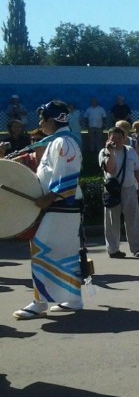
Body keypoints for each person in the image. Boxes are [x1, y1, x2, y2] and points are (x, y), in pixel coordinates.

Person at [12, 101, 86, 319]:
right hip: (63, 204)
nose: (40, 123)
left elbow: (67, 176)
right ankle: (74, 299)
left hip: (63, 204)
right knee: (66, 251)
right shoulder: (59, 141)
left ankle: (39, 301)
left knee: (41, 247)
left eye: (43, 119)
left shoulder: (64, 142)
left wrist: (50, 197)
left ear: (53, 120)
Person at [100, 126, 139, 259]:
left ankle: (137, 248)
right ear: (108, 139)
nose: (117, 141)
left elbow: (137, 169)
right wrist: (111, 152)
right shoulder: (104, 152)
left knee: (133, 218)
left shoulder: (130, 151)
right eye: (113, 138)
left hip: (129, 188)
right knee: (112, 220)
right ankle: (113, 249)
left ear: (124, 139)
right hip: (112, 190)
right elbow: (110, 169)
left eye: (119, 138)